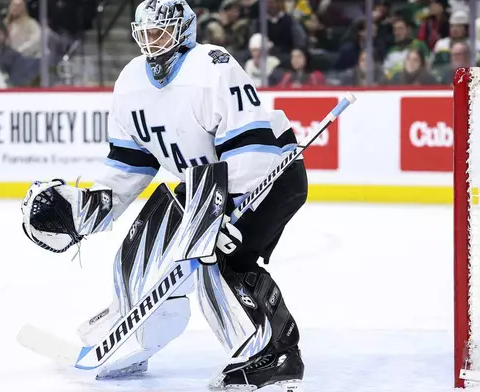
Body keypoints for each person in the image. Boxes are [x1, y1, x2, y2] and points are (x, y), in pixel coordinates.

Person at [19, 0, 307, 390]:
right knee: (140, 251)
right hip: (204, 182)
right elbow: (129, 163)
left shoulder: (211, 66)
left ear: (184, 30)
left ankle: (275, 354)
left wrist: (232, 209)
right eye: (146, 34)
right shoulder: (130, 81)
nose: (153, 42)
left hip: (268, 174)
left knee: (218, 260)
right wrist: (89, 207)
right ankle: (134, 338)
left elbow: (250, 147)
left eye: (161, 32)